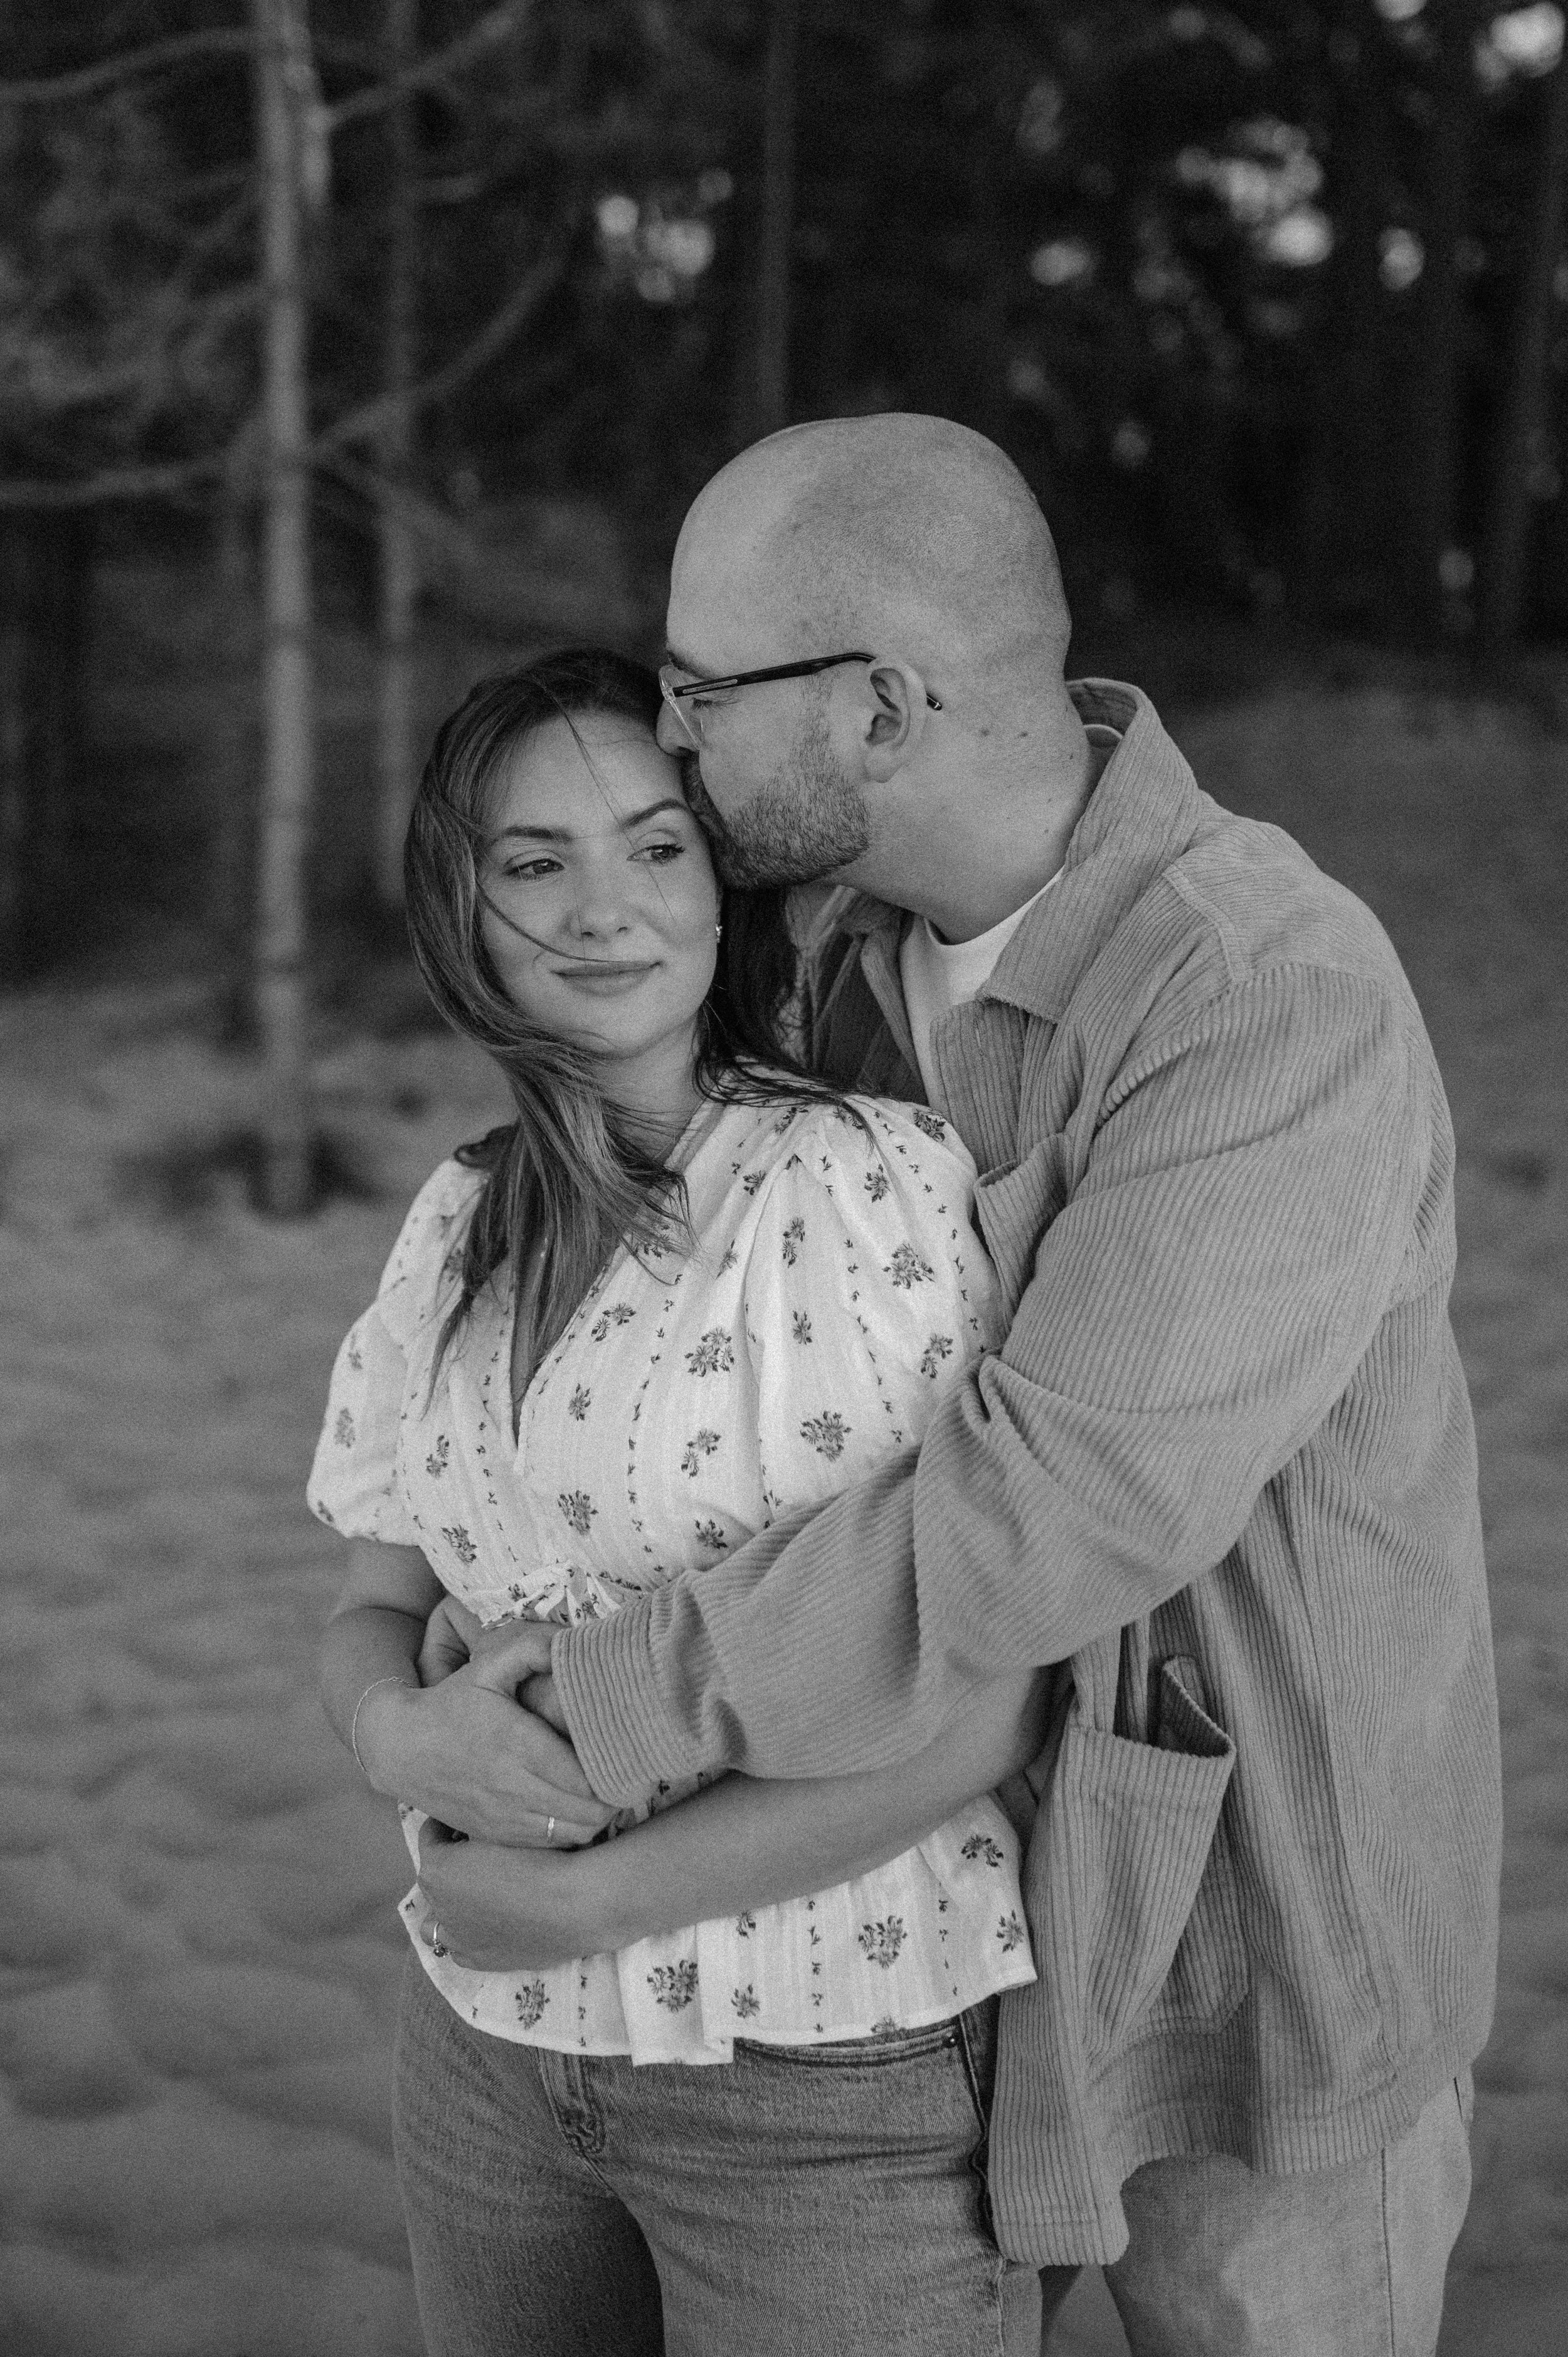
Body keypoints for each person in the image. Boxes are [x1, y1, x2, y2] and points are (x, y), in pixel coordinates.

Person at [418, 416, 1503, 2357]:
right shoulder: (827, 954)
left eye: (700, 692)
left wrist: (578, 1719)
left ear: (885, 706)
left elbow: (1043, 1511)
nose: (670, 739)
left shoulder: (1259, 990)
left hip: (1240, 1968)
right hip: (936, 1956)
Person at [309, 647, 1054, 2357]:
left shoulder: (857, 1183)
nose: (600, 908)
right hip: (483, 2041)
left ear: (721, 888)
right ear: (462, 902)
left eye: (653, 846)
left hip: (825, 2069)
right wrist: (393, 1738)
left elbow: (988, 1698)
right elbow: (369, 1596)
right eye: (532, 859)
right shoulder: (456, 1217)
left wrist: (588, 1899)